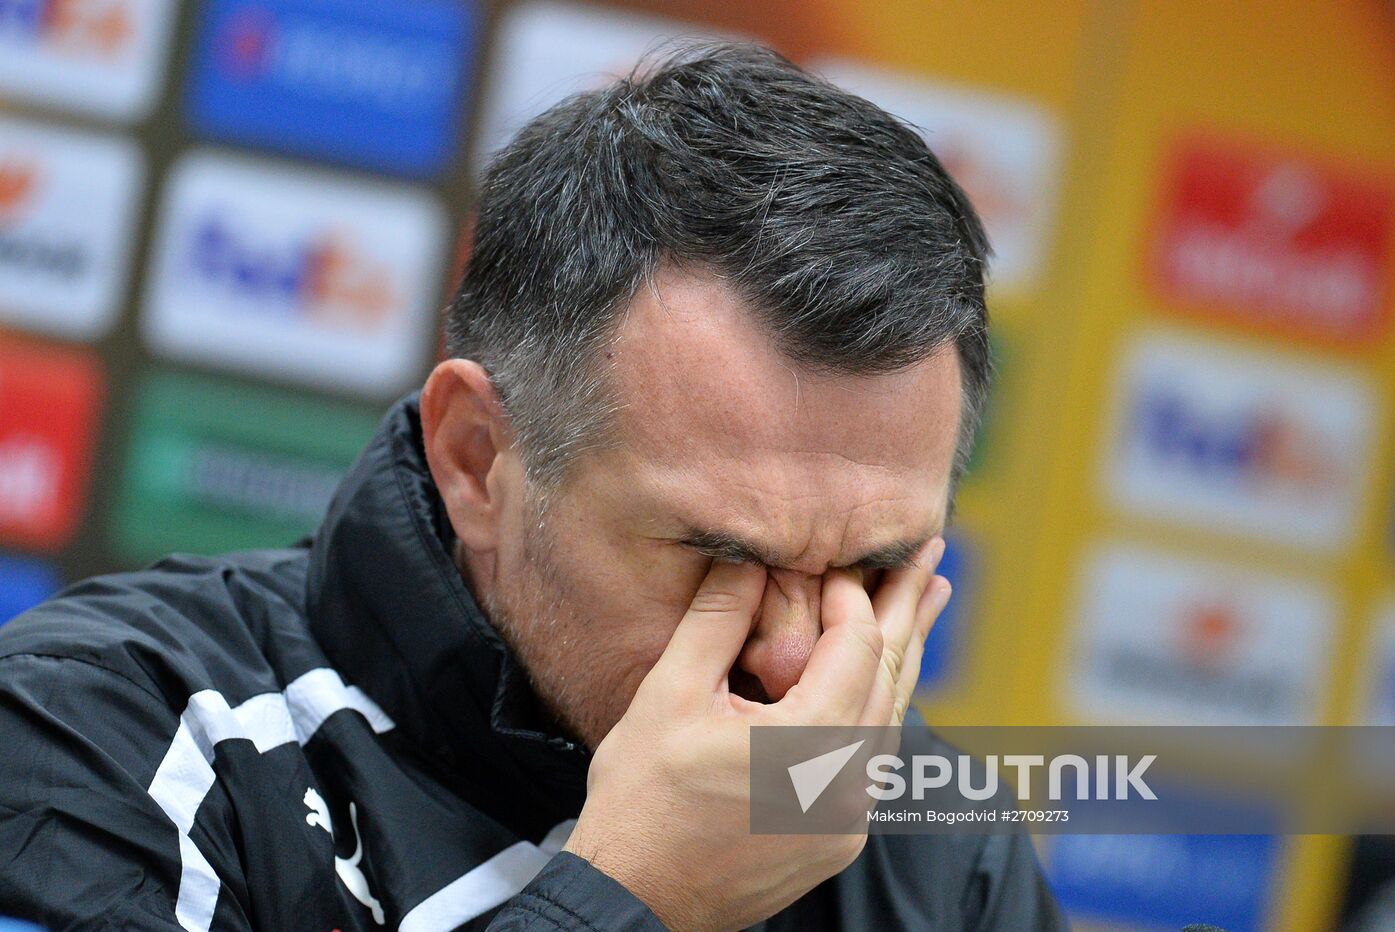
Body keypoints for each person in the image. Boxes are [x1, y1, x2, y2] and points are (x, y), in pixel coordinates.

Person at [0, 43, 1064, 931]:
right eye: (721, 558)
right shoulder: (90, 734)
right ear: (476, 457)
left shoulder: (935, 841)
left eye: (871, 567)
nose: (797, 661)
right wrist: (631, 897)